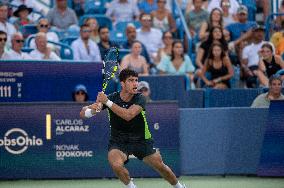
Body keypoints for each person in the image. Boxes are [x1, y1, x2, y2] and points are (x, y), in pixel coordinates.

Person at [80, 69, 187, 188]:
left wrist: (107, 102)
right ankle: (131, 187)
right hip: (119, 141)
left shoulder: (140, 98)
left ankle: (179, 186)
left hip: (141, 140)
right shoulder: (111, 98)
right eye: (131, 80)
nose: (135, 83)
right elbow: (83, 113)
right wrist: (93, 109)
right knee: (115, 164)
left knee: (161, 167)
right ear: (122, 83)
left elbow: (128, 115)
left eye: (136, 80)